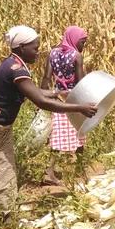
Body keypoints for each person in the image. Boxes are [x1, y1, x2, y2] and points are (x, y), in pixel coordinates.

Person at [0, 25, 97, 222]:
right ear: (21, 48)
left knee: (5, 173)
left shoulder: (17, 65)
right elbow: (40, 101)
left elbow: (37, 92)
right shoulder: (15, 69)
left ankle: (3, 217)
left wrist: (58, 92)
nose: (38, 51)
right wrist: (78, 108)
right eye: (34, 48)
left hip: (0, 130)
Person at [39, 26, 88, 186]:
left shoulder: (52, 53)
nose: (83, 45)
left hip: (57, 99)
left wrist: (41, 98)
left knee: (57, 136)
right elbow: (80, 82)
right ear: (74, 39)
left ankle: (49, 171)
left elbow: (46, 78)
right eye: (82, 42)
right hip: (74, 100)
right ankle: (80, 170)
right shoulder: (76, 56)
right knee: (80, 132)